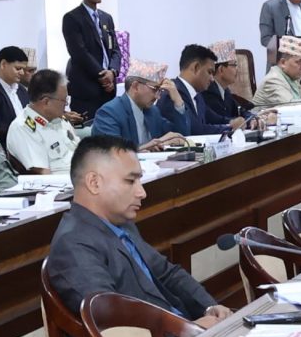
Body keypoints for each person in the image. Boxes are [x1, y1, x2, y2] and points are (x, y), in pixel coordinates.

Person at [46, 135, 229, 324]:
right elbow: (111, 319)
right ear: (94, 183)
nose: (142, 192)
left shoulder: (121, 222)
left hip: (181, 328)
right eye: (130, 181)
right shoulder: (73, 244)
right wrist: (189, 330)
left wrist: (209, 307)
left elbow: (167, 274)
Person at [94, 61, 190, 149]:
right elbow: (112, 152)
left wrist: (178, 101)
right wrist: (149, 146)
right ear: (135, 86)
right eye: (154, 89)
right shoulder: (109, 112)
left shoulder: (153, 111)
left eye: (160, 91)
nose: (158, 97)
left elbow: (180, 137)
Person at [5, 68, 82, 174]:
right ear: (46, 102)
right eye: (64, 100)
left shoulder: (59, 120)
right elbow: (43, 175)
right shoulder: (22, 128)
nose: (66, 105)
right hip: (66, 181)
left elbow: (79, 149)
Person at [62, 0, 118, 117]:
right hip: (87, 89)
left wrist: (112, 72)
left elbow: (115, 50)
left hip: (109, 89)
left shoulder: (106, 18)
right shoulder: (72, 18)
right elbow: (79, 52)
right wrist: (102, 75)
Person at [158, 46, 217, 138]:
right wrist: (230, 128)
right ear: (196, 67)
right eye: (209, 72)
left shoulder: (198, 96)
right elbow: (194, 130)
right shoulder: (171, 93)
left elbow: (214, 118)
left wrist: (232, 124)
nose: (212, 79)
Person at [199, 42, 256, 127]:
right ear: (221, 70)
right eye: (234, 65)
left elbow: (241, 111)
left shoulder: (225, 90)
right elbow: (221, 120)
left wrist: (252, 119)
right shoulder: (207, 91)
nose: (237, 69)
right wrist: (247, 122)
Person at [0, 46, 34, 141]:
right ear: (3, 64)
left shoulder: (22, 90)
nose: (22, 73)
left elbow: (30, 117)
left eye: (23, 69)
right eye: (18, 68)